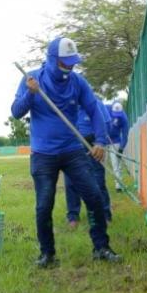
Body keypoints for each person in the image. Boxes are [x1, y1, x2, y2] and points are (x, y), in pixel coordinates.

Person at [11, 37, 121, 267]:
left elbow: (94, 110)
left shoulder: (77, 82)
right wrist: (30, 94)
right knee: (44, 205)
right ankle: (47, 254)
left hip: (72, 151)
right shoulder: (32, 79)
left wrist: (100, 141)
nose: (69, 67)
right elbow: (16, 112)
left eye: (72, 62)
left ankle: (101, 247)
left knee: (94, 196)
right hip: (43, 154)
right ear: (52, 60)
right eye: (65, 63)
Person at [65, 99, 113, 228]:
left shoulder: (96, 103)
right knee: (71, 183)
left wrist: (97, 140)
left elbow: (107, 125)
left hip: (93, 148)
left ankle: (104, 214)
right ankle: (73, 216)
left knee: (98, 181)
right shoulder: (66, 103)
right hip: (72, 149)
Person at [106, 101, 130, 191]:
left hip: (115, 141)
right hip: (103, 138)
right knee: (100, 162)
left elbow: (125, 135)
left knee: (116, 164)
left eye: (118, 115)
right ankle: (100, 185)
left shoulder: (124, 119)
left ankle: (118, 185)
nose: (116, 116)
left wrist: (121, 148)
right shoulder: (105, 108)